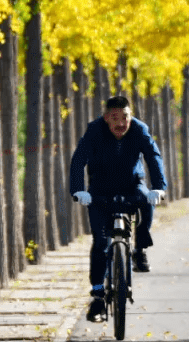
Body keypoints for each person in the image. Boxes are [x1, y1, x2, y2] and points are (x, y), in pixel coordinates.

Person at [70, 95, 167, 322]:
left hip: (132, 185)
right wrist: (78, 190)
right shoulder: (94, 130)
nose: (121, 123)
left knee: (147, 200)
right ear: (106, 118)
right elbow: (78, 160)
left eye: (125, 117)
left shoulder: (140, 130)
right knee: (101, 243)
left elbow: (154, 157)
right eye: (115, 118)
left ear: (130, 116)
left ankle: (139, 249)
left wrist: (159, 188)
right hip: (100, 190)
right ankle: (97, 297)